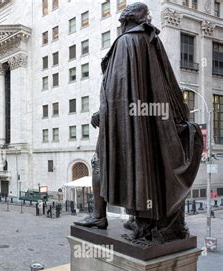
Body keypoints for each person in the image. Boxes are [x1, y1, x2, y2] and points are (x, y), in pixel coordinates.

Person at [75, 2, 203, 243]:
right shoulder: (151, 40)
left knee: (98, 162)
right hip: (149, 124)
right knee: (140, 166)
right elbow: (166, 84)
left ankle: (99, 216)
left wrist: (102, 114)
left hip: (125, 124)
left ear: (125, 22)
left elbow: (117, 90)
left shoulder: (126, 42)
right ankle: (140, 218)